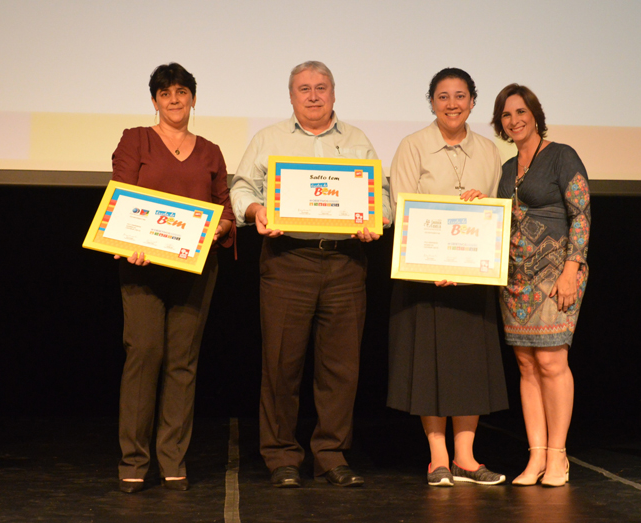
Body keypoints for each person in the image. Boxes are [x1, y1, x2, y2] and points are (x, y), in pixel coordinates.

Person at [231, 61, 391, 488]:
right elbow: (241, 188)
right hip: (288, 260)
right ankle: (282, 456)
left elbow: (385, 197)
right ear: (291, 96)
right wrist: (256, 210)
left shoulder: (357, 140)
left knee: (341, 367)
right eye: (305, 89)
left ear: (334, 94)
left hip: (345, 262)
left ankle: (331, 454)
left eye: (322, 88)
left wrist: (377, 217)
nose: (314, 95)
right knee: (281, 364)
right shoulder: (269, 138)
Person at [111, 63, 235, 493]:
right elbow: (122, 195)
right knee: (144, 354)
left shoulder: (210, 150)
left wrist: (219, 227)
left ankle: (172, 459)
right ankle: (133, 460)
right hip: (142, 265)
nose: (175, 99)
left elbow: (225, 208)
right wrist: (130, 239)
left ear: (193, 99)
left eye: (182, 91)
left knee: (182, 362)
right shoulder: (136, 139)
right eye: (165, 93)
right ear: (154, 101)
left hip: (194, 268)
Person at [386, 68, 508, 487]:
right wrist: (434, 265)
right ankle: (437, 457)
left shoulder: (489, 150)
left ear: (473, 101)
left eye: (460, 96)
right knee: (428, 365)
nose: (452, 103)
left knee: (469, 365)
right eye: (442, 96)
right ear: (431, 102)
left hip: (471, 278)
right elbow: (402, 211)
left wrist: (479, 204)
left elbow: (494, 213)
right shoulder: (413, 146)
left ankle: (467, 458)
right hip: (423, 279)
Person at [491, 83, 590, 488]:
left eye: (520, 112)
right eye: (506, 115)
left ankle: (558, 457)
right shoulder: (505, 168)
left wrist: (572, 267)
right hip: (514, 277)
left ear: (535, 113)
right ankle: (534, 458)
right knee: (526, 365)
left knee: (552, 362)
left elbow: (581, 214)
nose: (514, 121)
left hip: (556, 274)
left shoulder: (562, 156)